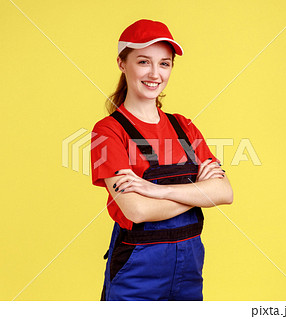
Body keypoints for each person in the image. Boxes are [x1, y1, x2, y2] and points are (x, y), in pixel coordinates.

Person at [90, 19, 233, 301]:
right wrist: (200, 191)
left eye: (164, 64)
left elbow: (225, 192)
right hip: (136, 274)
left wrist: (156, 190)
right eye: (143, 62)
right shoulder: (108, 132)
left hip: (189, 270)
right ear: (122, 63)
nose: (155, 73)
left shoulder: (184, 127)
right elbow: (138, 211)